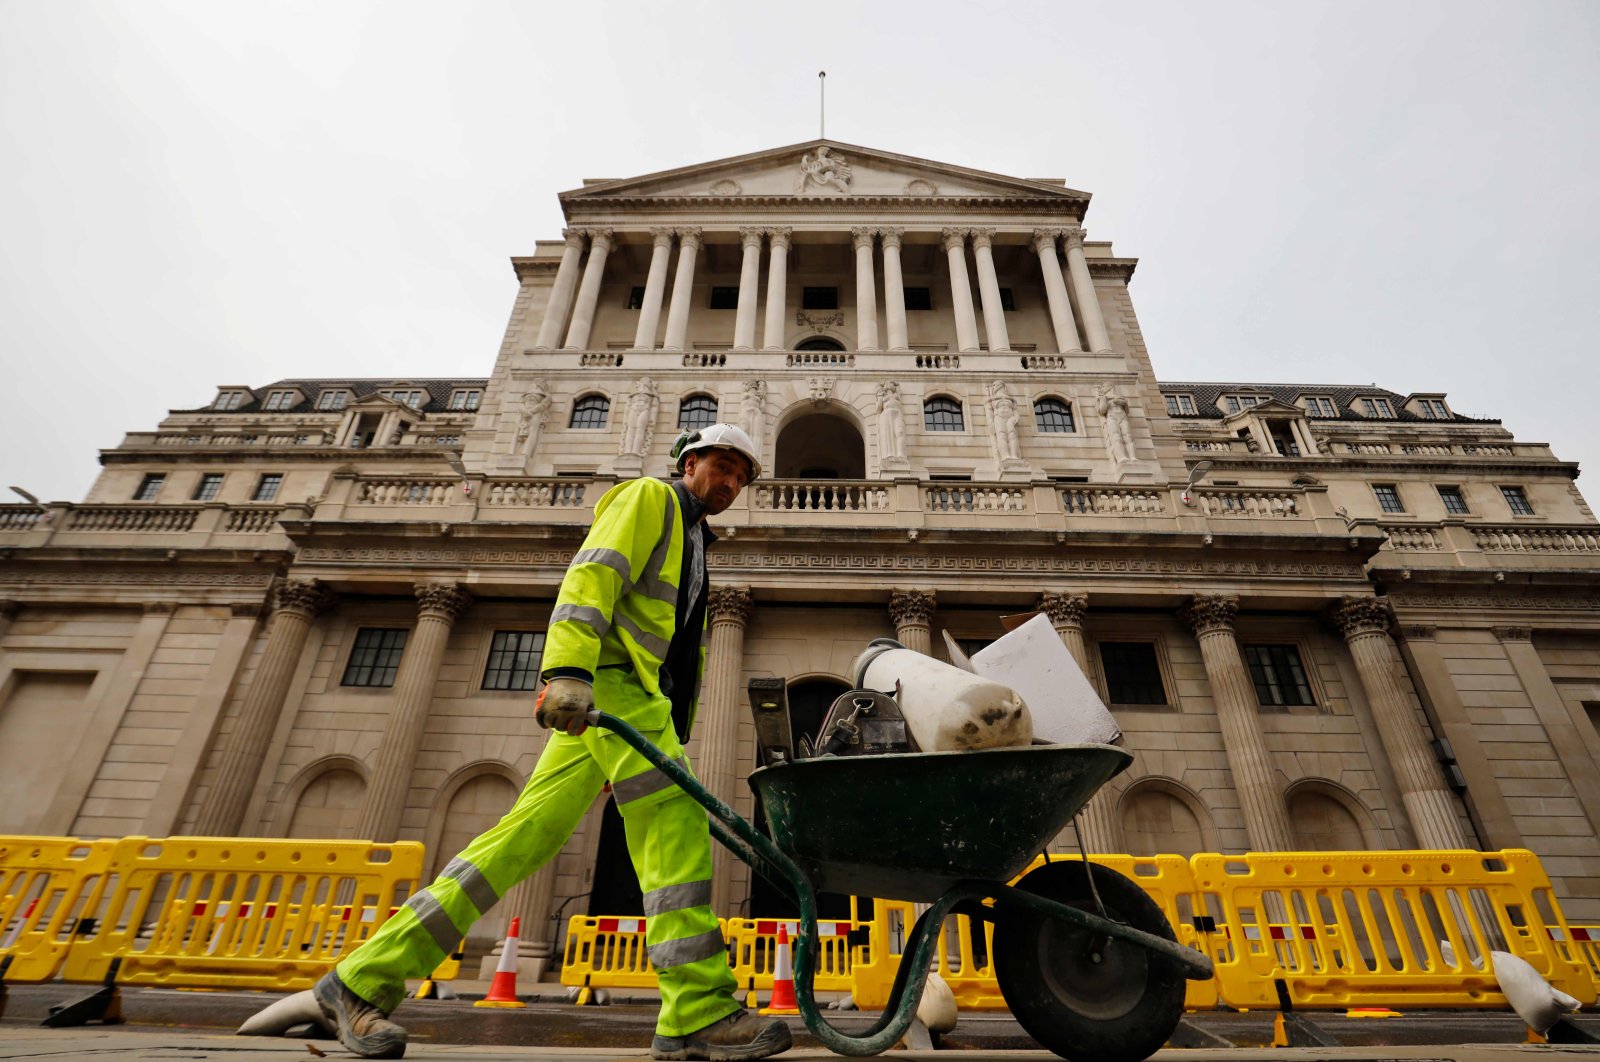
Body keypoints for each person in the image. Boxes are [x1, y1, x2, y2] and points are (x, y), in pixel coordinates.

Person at [311, 423, 789, 1062]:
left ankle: (360, 979)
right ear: (689, 461)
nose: (730, 483)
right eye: (722, 467)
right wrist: (567, 672)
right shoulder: (651, 498)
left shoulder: (695, 536)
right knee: (674, 828)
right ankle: (698, 1010)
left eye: (741, 476)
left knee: (520, 839)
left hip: (631, 701)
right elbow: (592, 577)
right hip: (616, 688)